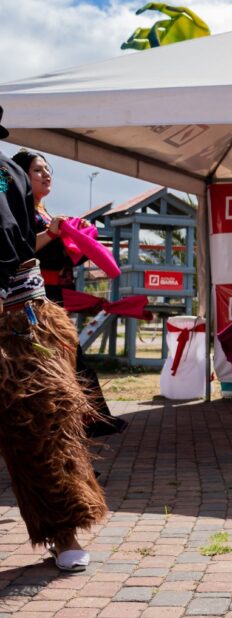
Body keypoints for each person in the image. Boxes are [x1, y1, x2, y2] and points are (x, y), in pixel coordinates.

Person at [0, 129, 107, 572]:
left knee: (42, 421)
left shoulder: (9, 172)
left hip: (19, 315)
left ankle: (64, 532)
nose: (46, 174)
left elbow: (23, 241)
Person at [11, 149, 125, 438]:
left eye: (47, 169)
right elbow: (20, 250)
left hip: (53, 295)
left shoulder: (44, 212)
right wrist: (53, 233)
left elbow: (63, 258)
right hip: (31, 297)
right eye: (38, 170)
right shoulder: (16, 210)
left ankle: (87, 419)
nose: (46, 174)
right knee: (54, 358)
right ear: (21, 176)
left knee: (68, 355)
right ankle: (81, 421)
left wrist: (80, 236)